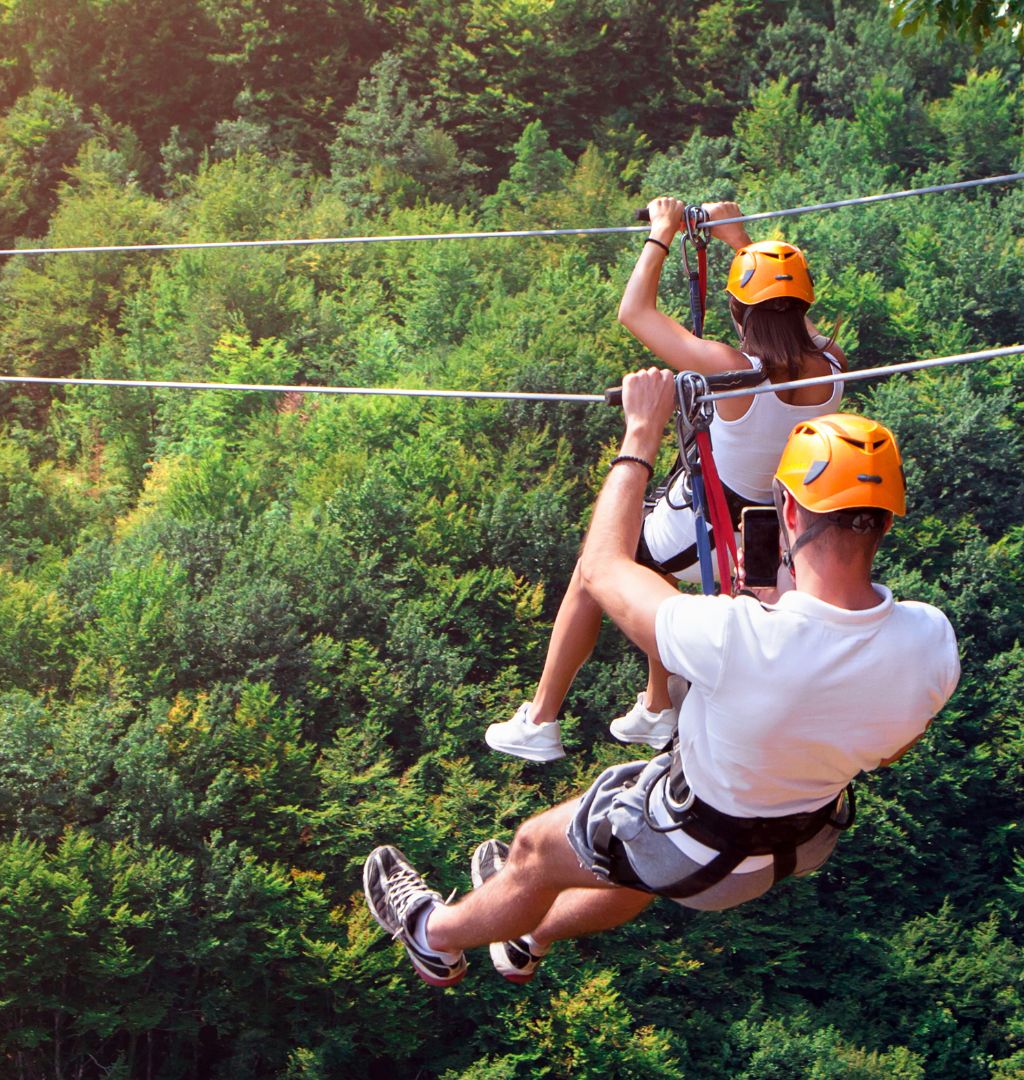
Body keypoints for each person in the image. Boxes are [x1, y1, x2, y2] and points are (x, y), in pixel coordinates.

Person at [366, 372, 961, 986]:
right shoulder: (931, 641)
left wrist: (641, 432)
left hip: (696, 842)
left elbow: (601, 568)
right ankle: (527, 937)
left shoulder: (735, 636)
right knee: (631, 864)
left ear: (786, 507)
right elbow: (891, 748)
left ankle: (432, 936)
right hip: (796, 844)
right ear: (887, 522)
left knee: (533, 851)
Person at [486, 198, 852, 763]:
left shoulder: (730, 370)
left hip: (709, 524)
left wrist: (661, 233)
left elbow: (635, 312)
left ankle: (541, 719)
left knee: (595, 567)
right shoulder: (833, 365)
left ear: (737, 310)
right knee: (657, 569)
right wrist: (740, 242)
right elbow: (791, 319)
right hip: (767, 533)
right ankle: (658, 706)